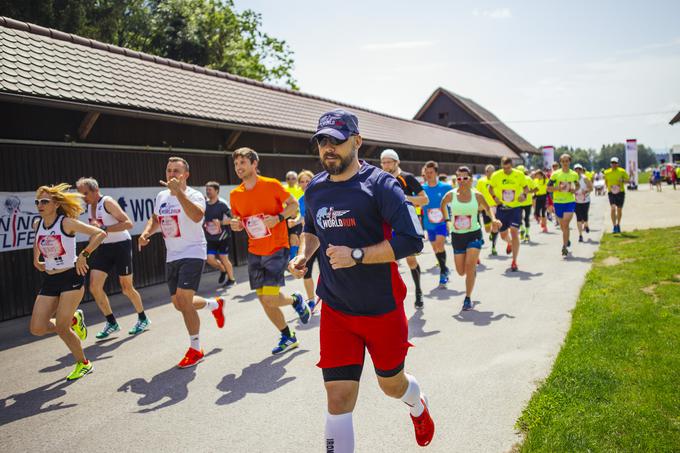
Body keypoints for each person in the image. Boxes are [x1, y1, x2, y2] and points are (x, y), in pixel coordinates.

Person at [289, 109, 434, 452]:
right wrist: (304, 254)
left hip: (381, 307)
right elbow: (312, 229)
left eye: (336, 141)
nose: (328, 149)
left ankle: (417, 404)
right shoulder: (315, 190)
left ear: (357, 141)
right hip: (337, 309)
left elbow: (412, 240)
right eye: (322, 141)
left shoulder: (381, 185)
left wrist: (357, 255)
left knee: (391, 385)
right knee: (338, 398)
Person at [139, 157, 225, 368]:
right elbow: (156, 218)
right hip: (173, 254)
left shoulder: (195, 195)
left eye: (176, 170)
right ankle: (214, 305)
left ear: (186, 174)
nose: (171, 174)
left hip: (193, 252)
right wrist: (146, 232)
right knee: (178, 303)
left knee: (184, 301)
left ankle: (195, 348)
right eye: (169, 170)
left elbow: (197, 217)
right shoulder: (161, 196)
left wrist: (179, 193)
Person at [229, 148, 311, 355]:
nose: (239, 167)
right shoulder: (235, 194)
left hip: (277, 246)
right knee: (262, 298)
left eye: (243, 163)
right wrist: (235, 224)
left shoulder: (271, 184)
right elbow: (238, 219)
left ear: (254, 164)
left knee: (270, 298)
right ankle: (288, 335)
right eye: (236, 164)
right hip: (254, 250)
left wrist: (278, 218)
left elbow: (293, 206)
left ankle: (295, 300)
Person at [30, 183, 107, 380]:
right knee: (37, 328)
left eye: (45, 201)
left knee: (63, 329)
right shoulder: (37, 224)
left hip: (71, 276)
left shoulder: (66, 223)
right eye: (38, 201)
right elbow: (38, 241)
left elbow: (100, 233)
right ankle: (74, 319)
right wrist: (36, 258)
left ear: (56, 204)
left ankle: (84, 363)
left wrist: (84, 254)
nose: (40, 204)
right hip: (50, 279)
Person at [76, 177, 149, 339]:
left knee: (126, 288)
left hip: (121, 245)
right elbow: (97, 233)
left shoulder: (107, 202)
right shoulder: (90, 207)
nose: (84, 198)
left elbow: (128, 223)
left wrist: (104, 228)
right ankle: (111, 323)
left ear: (95, 190)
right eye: (81, 195)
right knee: (94, 287)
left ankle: (143, 319)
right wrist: (86, 252)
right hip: (104, 248)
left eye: (86, 193)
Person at [441, 167, 501, 311]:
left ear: (471, 179)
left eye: (465, 178)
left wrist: (493, 219)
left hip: (474, 233)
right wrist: (448, 221)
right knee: (461, 271)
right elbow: (443, 205)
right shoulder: (451, 195)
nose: (462, 181)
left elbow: (488, 209)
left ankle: (467, 298)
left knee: (469, 266)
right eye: (459, 178)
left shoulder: (477, 195)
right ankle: (471, 272)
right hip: (457, 236)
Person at [380, 149, 429, 309]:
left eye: (389, 162)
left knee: (411, 260)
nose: (386, 165)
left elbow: (424, 199)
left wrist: (403, 198)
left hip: (407, 224)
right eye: (383, 162)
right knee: (388, 260)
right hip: (387, 225)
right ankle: (392, 297)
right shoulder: (380, 180)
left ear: (396, 162)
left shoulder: (407, 178)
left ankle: (418, 291)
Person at [488, 157, 529, 271]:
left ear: (512, 165)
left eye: (508, 168)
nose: (506, 170)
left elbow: (526, 188)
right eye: (504, 168)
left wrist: (524, 195)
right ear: (501, 165)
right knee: (502, 234)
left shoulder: (519, 175)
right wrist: (495, 197)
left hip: (515, 208)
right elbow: (490, 188)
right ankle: (509, 243)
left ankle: (514, 261)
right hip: (502, 208)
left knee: (514, 232)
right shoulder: (496, 175)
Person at [422, 161, 453, 286]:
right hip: (429, 224)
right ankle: (443, 266)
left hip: (442, 223)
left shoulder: (445, 187)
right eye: (427, 173)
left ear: (436, 173)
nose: (429, 175)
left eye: (431, 172)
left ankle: (443, 272)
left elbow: (456, 198)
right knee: (435, 248)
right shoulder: (422, 189)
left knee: (440, 245)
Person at [295, 169, 320, 312]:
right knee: (306, 271)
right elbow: (303, 217)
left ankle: (328, 298)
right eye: (302, 182)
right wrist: (294, 221)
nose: (305, 184)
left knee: (327, 271)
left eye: (307, 181)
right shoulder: (300, 200)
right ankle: (311, 301)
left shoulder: (321, 197)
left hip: (322, 239)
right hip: (308, 239)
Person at [203, 181, 236, 287]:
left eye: (210, 190)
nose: (208, 192)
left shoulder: (222, 204)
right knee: (209, 259)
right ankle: (222, 270)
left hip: (223, 237)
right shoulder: (204, 204)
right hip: (210, 237)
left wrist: (220, 222)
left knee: (223, 257)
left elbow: (233, 219)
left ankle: (231, 279)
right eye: (207, 190)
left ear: (216, 191)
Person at [548, 154, 579, 256]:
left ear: (570, 162)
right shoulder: (555, 174)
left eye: (567, 161)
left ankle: (564, 247)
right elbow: (548, 188)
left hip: (570, 202)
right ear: (560, 162)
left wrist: (574, 190)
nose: (565, 163)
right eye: (563, 161)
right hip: (558, 202)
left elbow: (577, 186)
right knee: (563, 226)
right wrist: (558, 188)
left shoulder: (574, 174)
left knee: (565, 224)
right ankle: (567, 239)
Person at [474, 164, 500, 255]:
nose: (491, 173)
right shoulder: (481, 181)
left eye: (493, 171)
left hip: (495, 206)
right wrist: (478, 206)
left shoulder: (497, 181)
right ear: (486, 172)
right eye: (489, 171)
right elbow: (477, 193)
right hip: (485, 207)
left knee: (495, 227)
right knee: (487, 229)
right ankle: (491, 234)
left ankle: (493, 247)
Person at [604, 157, 629, 233]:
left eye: (615, 163)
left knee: (619, 209)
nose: (614, 164)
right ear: (610, 164)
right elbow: (606, 181)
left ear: (618, 164)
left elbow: (628, 181)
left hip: (620, 192)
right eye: (612, 163)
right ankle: (614, 226)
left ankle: (618, 224)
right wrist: (609, 188)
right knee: (613, 208)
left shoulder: (622, 171)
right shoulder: (606, 172)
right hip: (611, 193)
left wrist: (622, 180)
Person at [284, 170, 305, 261]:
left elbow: (302, 204)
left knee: (294, 238)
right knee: (288, 239)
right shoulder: (283, 189)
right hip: (285, 216)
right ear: (286, 180)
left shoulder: (300, 190)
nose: (291, 180)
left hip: (297, 216)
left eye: (293, 178)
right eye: (288, 178)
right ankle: (290, 258)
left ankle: (292, 259)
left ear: (296, 180)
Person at [574, 164, 593, 242]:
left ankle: (586, 225)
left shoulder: (585, 178)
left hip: (585, 200)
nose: (577, 171)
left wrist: (586, 191)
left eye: (579, 169)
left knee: (584, 216)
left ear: (581, 170)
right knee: (578, 217)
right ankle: (580, 235)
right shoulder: (571, 179)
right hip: (576, 201)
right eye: (576, 169)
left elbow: (591, 188)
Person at [516, 165, 535, 243]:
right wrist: (529, 192)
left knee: (519, 218)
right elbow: (535, 188)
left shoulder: (516, 179)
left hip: (519, 202)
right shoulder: (529, 178)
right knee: (526, 218)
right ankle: (526, 234)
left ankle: (523, 230)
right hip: (527, 202)